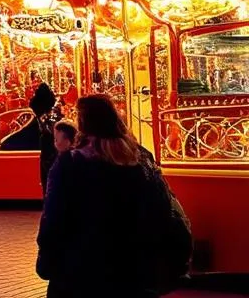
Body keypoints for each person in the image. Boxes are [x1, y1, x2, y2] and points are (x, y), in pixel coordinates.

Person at [37, 95, 192, 298]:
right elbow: (162, 209)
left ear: (83, 123)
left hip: (81, 269)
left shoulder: (70, 165)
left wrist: (47, 259)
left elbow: (53, 218)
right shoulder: (140, 159)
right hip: (135, 268)